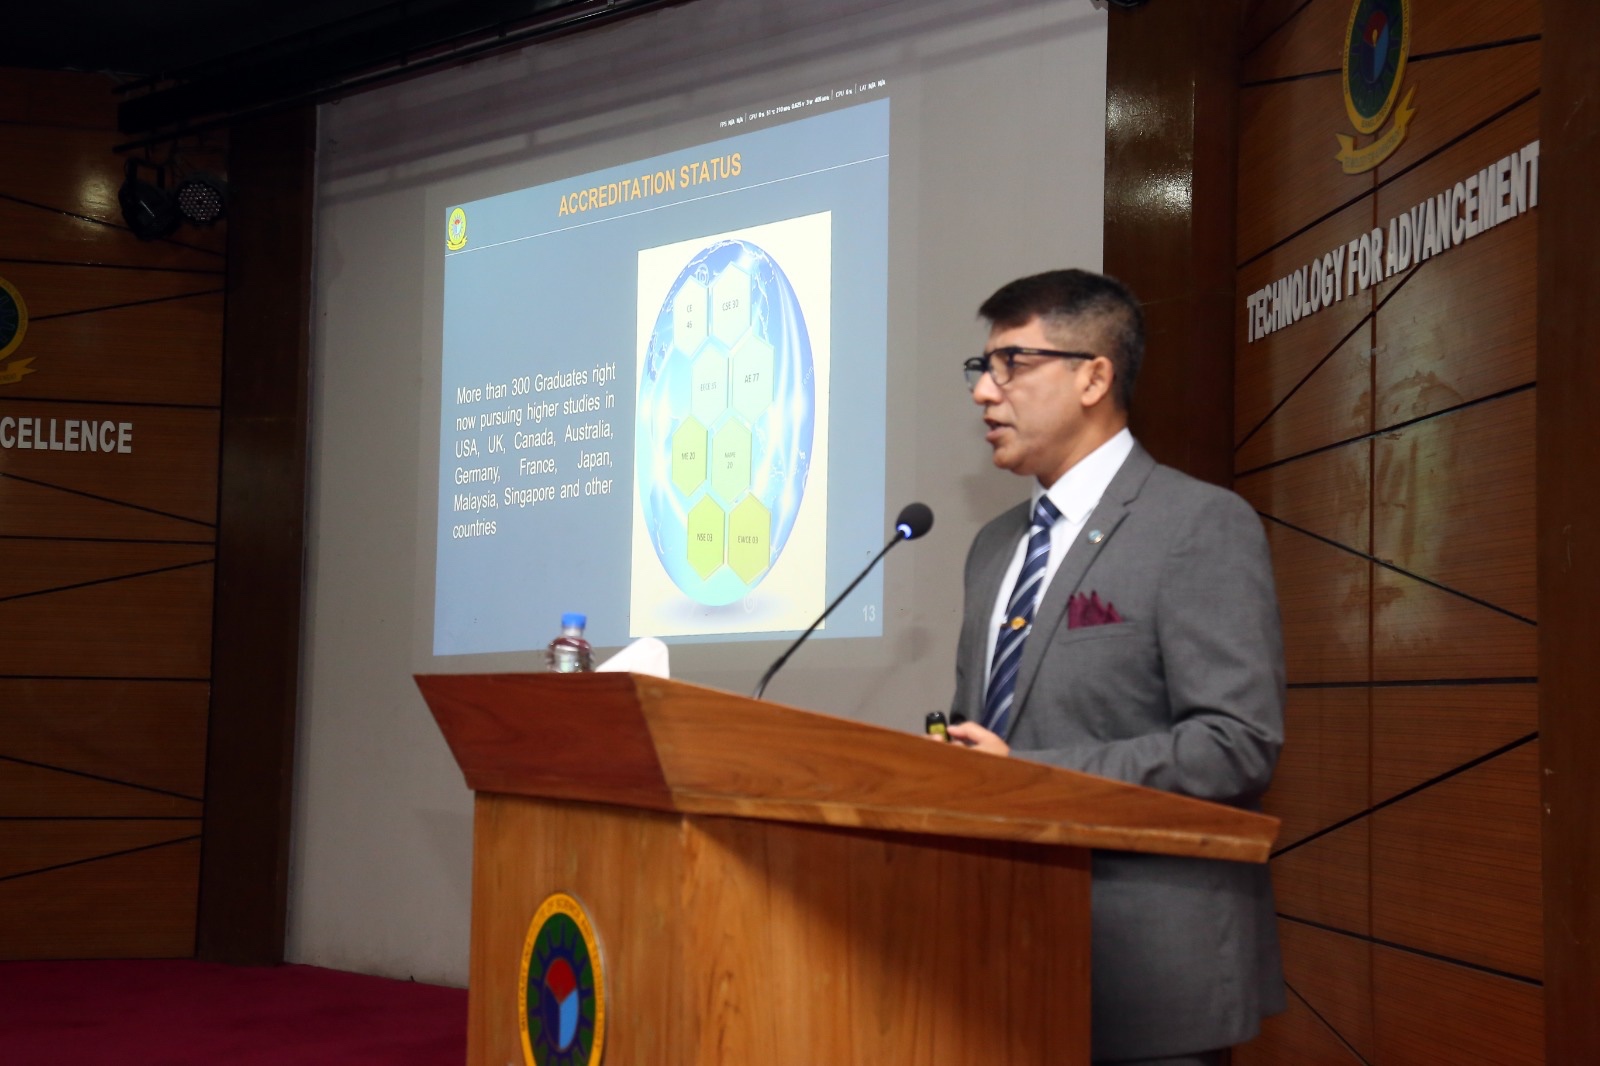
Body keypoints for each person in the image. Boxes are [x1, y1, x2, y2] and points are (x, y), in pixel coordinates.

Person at [944, 269, 1286, 1065]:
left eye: (1012, 364)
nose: (985, 392)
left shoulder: (1197, 524)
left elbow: (1236, 744)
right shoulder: (994, 547)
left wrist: (1024, 776)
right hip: (996, 957)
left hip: (1147, 975)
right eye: (981, 368)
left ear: (1094, 377)